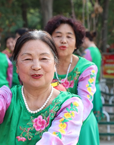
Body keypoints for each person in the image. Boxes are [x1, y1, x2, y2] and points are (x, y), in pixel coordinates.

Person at [0, 30, 89, 144]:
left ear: (55, 65)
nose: (36, 66)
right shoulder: (8, 96)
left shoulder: (71, 105)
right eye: (27, 59)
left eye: (44, 58)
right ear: (16, 66)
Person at [45, 15, 100, 145]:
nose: (63, 41)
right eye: (58, 36)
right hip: (49, 127)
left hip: (81, 125)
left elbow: (85, 104)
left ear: (76, 43)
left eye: (69, 36)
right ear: (49, 40)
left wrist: (62, 127)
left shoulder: (87, 68)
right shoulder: (43, 65)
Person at [82, 31, 103, 121]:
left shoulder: (87, 52)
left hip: (89, 87)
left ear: (86, 39)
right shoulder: (97, 51)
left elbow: (81, 69)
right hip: (96, 86)